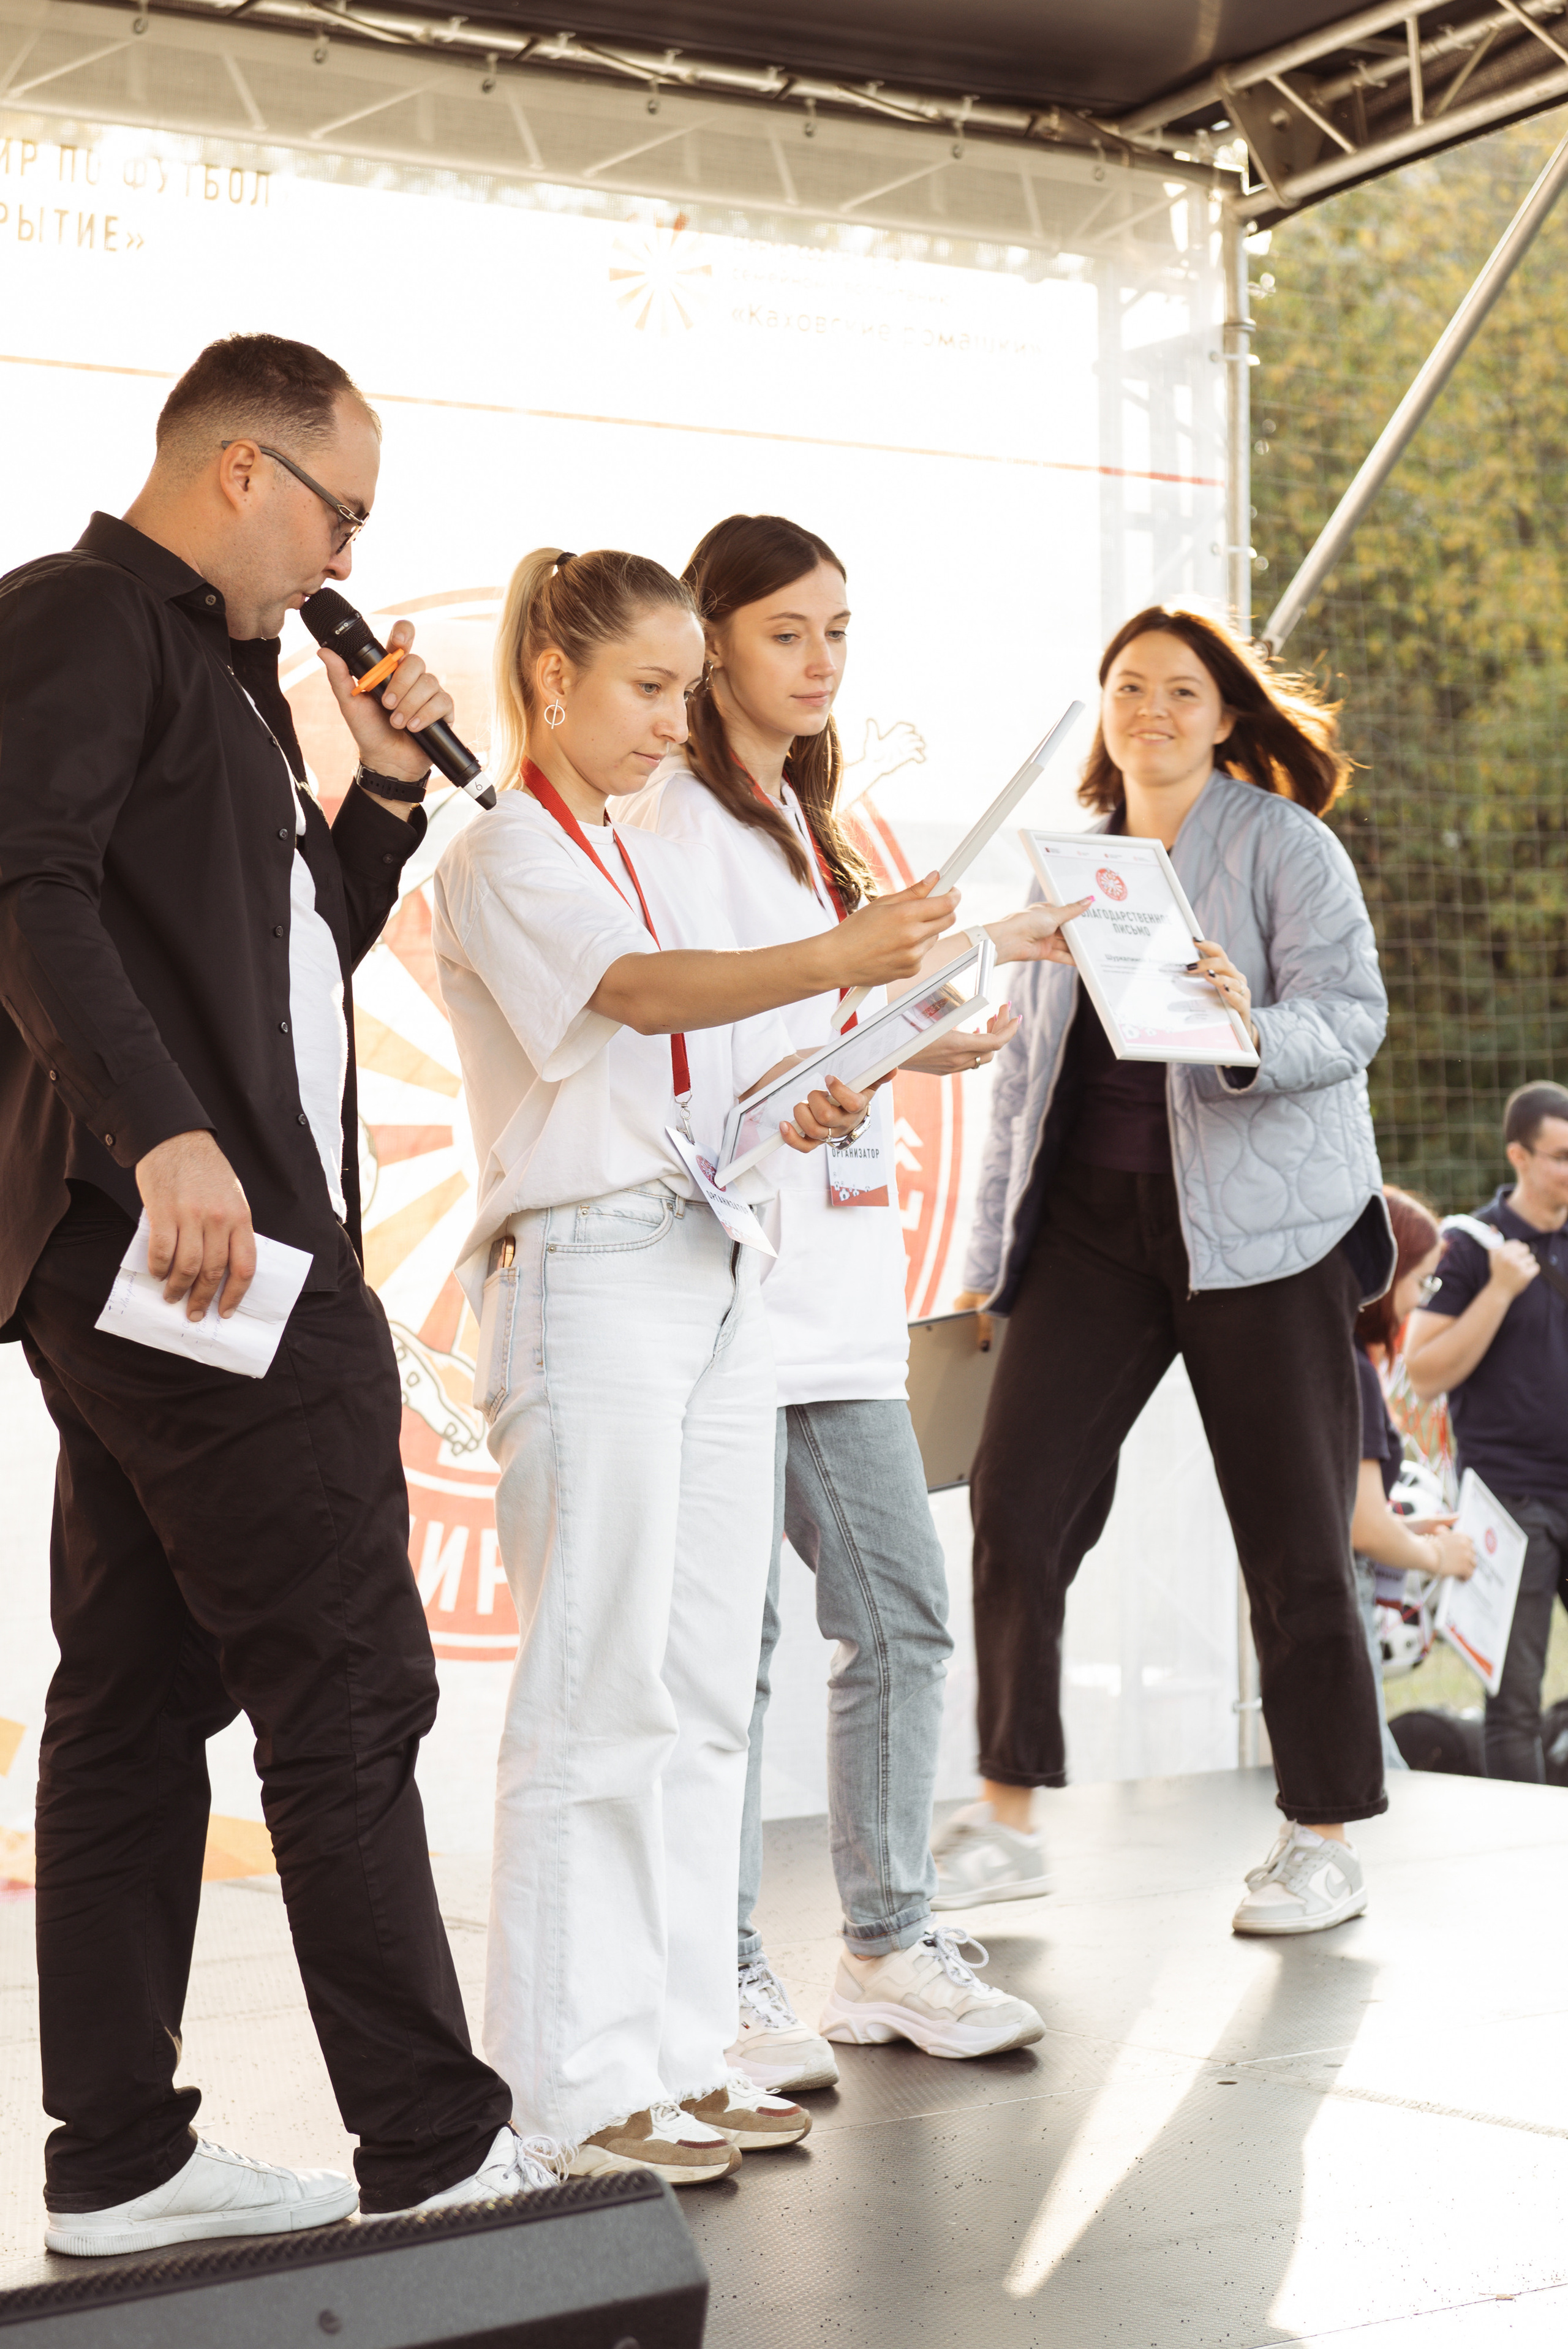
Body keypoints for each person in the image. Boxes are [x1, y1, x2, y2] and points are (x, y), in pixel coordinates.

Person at [0, 334, 545, 2256]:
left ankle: (120, 2160)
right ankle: (437, 2147)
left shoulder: (227, 677)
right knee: (348, 1669)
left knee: (142, 1691)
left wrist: (380, 792)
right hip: (192, 1242)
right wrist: (161, 1133)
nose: (347, 561)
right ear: (245, 468)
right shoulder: (81, 617)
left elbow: (286, 957)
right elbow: (22, 881)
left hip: (187, 1243)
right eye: (341, 512)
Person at [432, 545, 963, 2184]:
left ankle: (673, 2049)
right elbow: (635, 994)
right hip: (587, 1271)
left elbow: (711, 1060)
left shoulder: (638, 843)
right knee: (593, 1688)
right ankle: (563, 2082)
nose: (677, 717)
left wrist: (859, 1051)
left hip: (711, 1258)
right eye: (648, 686)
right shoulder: (507, 846)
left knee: (694, 1692)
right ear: (552, 679)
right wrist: (838, 960)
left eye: (682, 685)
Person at [617, 512, 1076, 2082]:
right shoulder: (673, 818)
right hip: (732, 1292)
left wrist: (909, 1043)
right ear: (711, 640)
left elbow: (822, 1024)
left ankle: (882, 1944)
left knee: (898, 1616)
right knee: (727, 1652)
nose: (817, 662)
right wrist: (820, 1067)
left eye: (836, 632)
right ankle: (721, 1971)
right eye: (785, 631)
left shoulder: (807, 823)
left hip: (840, 1302)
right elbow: (687, 1036)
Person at [941, 605, 1395, 1939]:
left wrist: (1249, 1024)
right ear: (1104, 710)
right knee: (1016, 1503)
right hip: (1088, 1230)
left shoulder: (1283, 845)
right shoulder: (1073, 865)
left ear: (1223, 713)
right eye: (1128, 687)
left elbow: (1352, 1015)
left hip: (1263, 1233)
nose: (1151, 710)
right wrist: (988, 1257)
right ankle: (1007, 1817)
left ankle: (1321, 1839)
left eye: (1180, 690)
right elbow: (1024, 1076)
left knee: (1293, 1535)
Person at [1404, 1080, 1568, 1781]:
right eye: (1560, 1156)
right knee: (1513, 1703)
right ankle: (1520, 1846)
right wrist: (1500, 1290)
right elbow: (1423, 1371)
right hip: (1510, 1503)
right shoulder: (1470, 1248)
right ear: (1518, 1156)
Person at [1351, 1186, 1476, 1771]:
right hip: (1341, 1605)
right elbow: (1362, 1527)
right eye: (1422, 1282)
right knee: (1372, 1769)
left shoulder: (1342, 1358)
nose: (1422, 1299)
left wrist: (1407, 1529)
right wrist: (1436, 1556)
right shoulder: (1353, 1370)